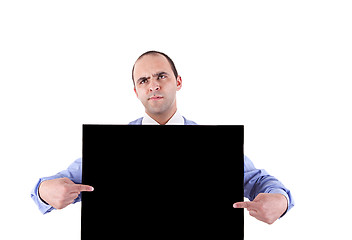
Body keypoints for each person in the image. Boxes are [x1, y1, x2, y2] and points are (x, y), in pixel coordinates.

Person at [31, 50, 294, 225]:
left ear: (178, 81)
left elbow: (258, 181)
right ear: (136, 91)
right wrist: (45, 191)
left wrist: (279, 201)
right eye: (143, 80)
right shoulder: (111, 147)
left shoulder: (213, 146)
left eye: (161, 76)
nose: (153, 85)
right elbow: (59, 183)